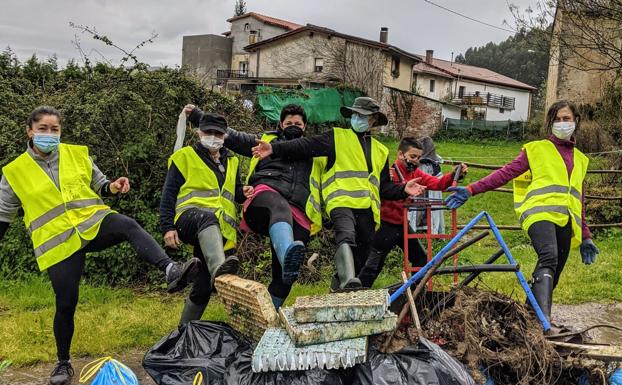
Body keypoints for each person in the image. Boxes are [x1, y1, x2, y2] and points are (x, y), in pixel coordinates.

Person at [0, 106, 200, 385]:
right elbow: (2, 216)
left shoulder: (77, 154)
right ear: (29, 131)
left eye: (54, 129)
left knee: (127, 224)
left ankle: (170, 270)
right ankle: (62, 363)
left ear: (60, 131)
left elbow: (100, 184)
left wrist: (114, 186)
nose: (49, 134)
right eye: (42, 129)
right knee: (66, 303)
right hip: (58, 243)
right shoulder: (14, 172)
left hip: (91, 223)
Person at [445, 100, 599, 325]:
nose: (562, 123)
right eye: (557, 119)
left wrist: (585, 236)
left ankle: (528, 319)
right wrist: (471, 189)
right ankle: (544, 322)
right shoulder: (536, 149)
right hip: (539, 214)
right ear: (550, 123)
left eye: (566, 119)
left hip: (566, 220)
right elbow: (505, 173)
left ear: (576, 121)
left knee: (553, 272)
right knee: (549, 257)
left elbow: (579, 200)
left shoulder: (581, 160)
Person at [252, 97, 425, 291]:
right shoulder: (336, 136)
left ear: (373, 121)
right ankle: (347, 280)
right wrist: (274, 148)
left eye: (363, 116)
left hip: (367, 209)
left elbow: (383, 187)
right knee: (346, 235)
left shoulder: (381, 150)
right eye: (355, 115)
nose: (357, 119)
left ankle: (338, 289)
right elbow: (304, 146)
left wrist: (403, 189)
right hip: (340, 200)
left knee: (364, 250)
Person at [185, 103, 325, 309]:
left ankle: (263, 316)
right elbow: (232, 137)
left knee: (286, 278)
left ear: (305, 126)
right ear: (280, 124)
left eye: (298, 123)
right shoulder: (265, 142)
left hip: (300, 213)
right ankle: (287, 252)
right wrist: (198, 116)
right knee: (280, 207)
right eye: (289, 123)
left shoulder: (313, 149)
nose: (293, 126)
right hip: (265, 199)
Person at [160, 111, 245, 326]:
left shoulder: (232, 161)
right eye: (208, 132)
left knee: (203, 286)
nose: (213, 136)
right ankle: (219, 268)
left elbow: (234, 192)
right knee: (206, 218)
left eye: (218, 133)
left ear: (225, 136)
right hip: (189, 219)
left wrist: (246, 192)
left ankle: (183, 331)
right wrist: (167, 227)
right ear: (198, 132)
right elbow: (168, 194)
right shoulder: (185, 156)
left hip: (219, 232)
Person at [357, 137, 467, 288]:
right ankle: (358, 294)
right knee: (373, 265)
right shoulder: (389, 173)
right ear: (401, 154)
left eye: (419, 158)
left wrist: (455, 175)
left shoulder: (415, 173)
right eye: (413, 157)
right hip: (385, 225)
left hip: (402, 224)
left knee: (421, 259)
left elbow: (437, 183)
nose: (416, 161)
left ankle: (414, 295)